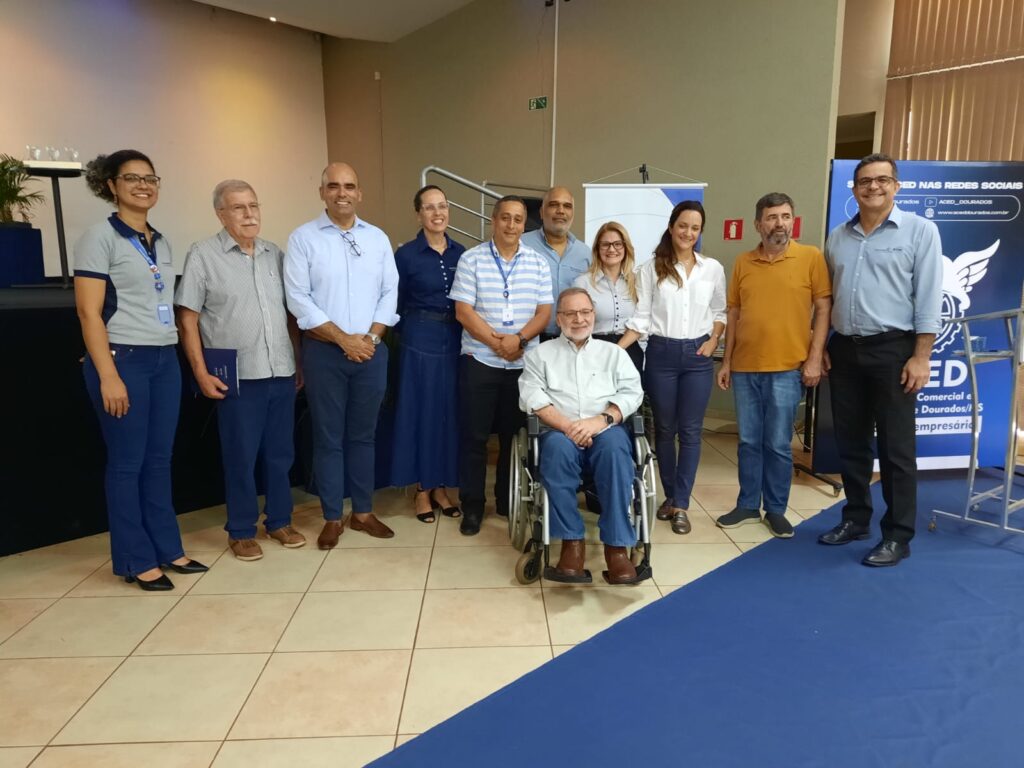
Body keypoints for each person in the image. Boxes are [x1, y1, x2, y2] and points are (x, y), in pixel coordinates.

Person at [73, 150, 207, 591]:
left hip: (164, 359)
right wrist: (108, 374)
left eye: (150, 178)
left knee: (159, 460)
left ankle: (167, 548)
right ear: (111, 185)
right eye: (131, 178)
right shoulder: (100, 237)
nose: (143, 186)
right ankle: (135, 559)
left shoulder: (161, 241)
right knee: (127, 463)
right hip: (123, 360)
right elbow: (89, 313)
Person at [819, 153, 942, 567]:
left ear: (896, 186)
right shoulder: (838, 237)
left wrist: (921, 356)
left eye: (882, 180)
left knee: (895, 449)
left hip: (894, 349)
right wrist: (823, 347)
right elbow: (828, 298)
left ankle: (898, 535)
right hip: (845, 349)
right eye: (865, 181)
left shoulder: (920, 231)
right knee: (851, 442)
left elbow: (928, 298)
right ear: (853, 189)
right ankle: (856, 518)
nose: (873, 187)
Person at [175, 179, 306, 561]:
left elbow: (290, 316)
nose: (249, 214)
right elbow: (187, 319)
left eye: (254, 205)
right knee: (241, 457)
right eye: (238, 207)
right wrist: (200, 372)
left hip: (280, 371)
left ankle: (279, 520)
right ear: (221, 214)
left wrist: (298, 361)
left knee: (281, 454)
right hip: (237, 377)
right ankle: (242, 530)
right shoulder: (202, 255)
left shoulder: (274, 254)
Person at [284, 162, 400, 548]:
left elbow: (390, 292)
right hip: (324, 353)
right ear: (322, 193)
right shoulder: (303, 239)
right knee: (328, 437)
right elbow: (298, 298)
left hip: (371, 352)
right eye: (333, 186)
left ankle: (363, 513)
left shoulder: (378, 239)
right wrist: (343, 340)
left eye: (349, 186)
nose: (341, 193)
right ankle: (332, 516)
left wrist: (370, 338)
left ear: (359, 193)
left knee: (364, 436)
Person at [716, 192, 832, 539]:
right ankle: (748, 504)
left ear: (792, 221)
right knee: (749, 442)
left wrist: (814, 357)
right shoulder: (743, 262)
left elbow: (823, 309)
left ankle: (777, 509)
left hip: (787, 368)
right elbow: (734, 313)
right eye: (771, 217)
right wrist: (726, 361)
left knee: (779, 444)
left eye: (785, 216)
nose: (779, 223)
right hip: (745, 368)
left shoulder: (810, 257)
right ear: (758, 224)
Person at [519, 288, 645, 583]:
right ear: (559, 318)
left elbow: (632, 393)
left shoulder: (613, 353)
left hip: (605, 430)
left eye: (585, 312)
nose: (579, 319)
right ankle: (571, 544)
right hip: (559, 431)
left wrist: (600, 420)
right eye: (571, 313)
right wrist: (569, 427)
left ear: (593, 315)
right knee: (557, 451)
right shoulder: (539, 355)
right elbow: (531, 397)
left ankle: (617, 548)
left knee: (615, 452)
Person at [617, 201, 726, 535]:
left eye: (695, 228)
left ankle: (681, 504)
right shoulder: (651, 268)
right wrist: (614, 351)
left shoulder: (712, 268)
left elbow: (720, 311)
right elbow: (642, 318)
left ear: (700, 231)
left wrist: (714, 340)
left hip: (698, 355)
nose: (688, 233)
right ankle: (669, 495)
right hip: (661, 355)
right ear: (671, 226)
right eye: (683, 226)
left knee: (691, 431)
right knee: (664, 430)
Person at [450, 195, 553, 536]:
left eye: (518, 219)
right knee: (475, 437)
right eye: (505, 218)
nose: (511, 225)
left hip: (522, 364)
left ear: (525, 225)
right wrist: (498, 344)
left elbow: (544, 313)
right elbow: (463, 312)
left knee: (514, 437)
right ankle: (473, 506)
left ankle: (508, 501)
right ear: (493, 220)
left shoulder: (538, 263)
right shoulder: (471, 259)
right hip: (480, 360)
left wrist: (519, 340)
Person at [391, 185, 465, 522]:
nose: (438, 213)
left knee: (449, 413)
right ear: (418, 213)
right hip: (419, 338)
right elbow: (395, 304)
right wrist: (410, 335)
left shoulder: (461, 253)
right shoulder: (406, 255)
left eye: (442, 206)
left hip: (456, 338)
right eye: (430, 207)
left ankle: (441, 486)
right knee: (421, 413)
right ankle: (422, 488)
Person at [520, 186, 591, 339]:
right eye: (554, 205)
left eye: (567, 206)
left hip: (571, 339)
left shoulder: (585, 253)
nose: (561, 211)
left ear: (572, 214)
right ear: (541, 212)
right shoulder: (521, 245)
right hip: (529, 337)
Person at [573, 221, 642, 373]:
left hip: (629, 351)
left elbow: (642, 321)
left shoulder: (637, 282)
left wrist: (617, 351)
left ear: (626, 247)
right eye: (605, 244)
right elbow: (574, 324)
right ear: (597, 249)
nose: (611, 249)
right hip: (594, 352)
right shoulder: (582, 283)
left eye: (618, 244)